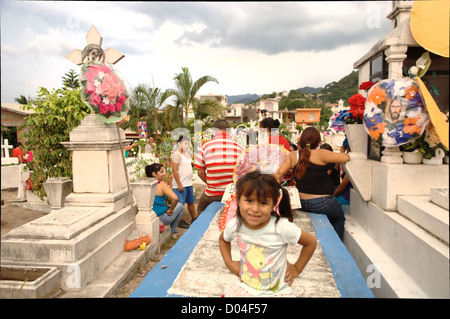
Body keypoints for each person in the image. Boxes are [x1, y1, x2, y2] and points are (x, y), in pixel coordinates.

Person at [219, 171, 317, 296]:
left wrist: (297, 268)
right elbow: (223, 240)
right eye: (249, 200)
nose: (255, 209)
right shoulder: (235, 225)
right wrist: (230, 263)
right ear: (238, 201)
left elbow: (310, 242)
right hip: (246, 287)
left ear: (273, 204)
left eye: (263, 203)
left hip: (278, 291)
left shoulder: (281, 227)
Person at [274, 127, 350, 239]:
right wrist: (343, 149)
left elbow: (278, 173)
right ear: (318, 142)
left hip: (301, 202)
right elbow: (346, 157)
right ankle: (334, 242)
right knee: (339, 218)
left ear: (301, 141)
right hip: (323, 203)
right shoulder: (322, 153)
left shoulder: (293, 155)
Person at [194, 119, 243, 215]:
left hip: (212, 194)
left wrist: (211, 183)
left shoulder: (206, 146)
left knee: (200, 209)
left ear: (214, 131)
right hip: (232, 194)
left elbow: (200, 172)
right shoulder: (239, 147)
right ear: (229, 131)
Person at [145, 163, 184, 238]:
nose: (164, 174)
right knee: (181, 206)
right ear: (154, 174)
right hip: (161, 218)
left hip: (149, 217)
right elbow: (175, 198)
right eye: (161, 172)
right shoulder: (161, 184)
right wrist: (171, 209)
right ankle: (172, 230)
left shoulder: (146, 183)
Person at [171, 135, 197, 228]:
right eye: (185, 144)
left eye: (188, 144)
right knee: (180, 204)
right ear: (179, 144)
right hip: (180, 185)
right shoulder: (176, 155)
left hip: (188, 183)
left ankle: (194, 219)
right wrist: (179, 184)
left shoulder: (187, 155)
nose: (187, 146)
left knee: (191, 202)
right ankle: (179, 221)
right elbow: (175, 170)